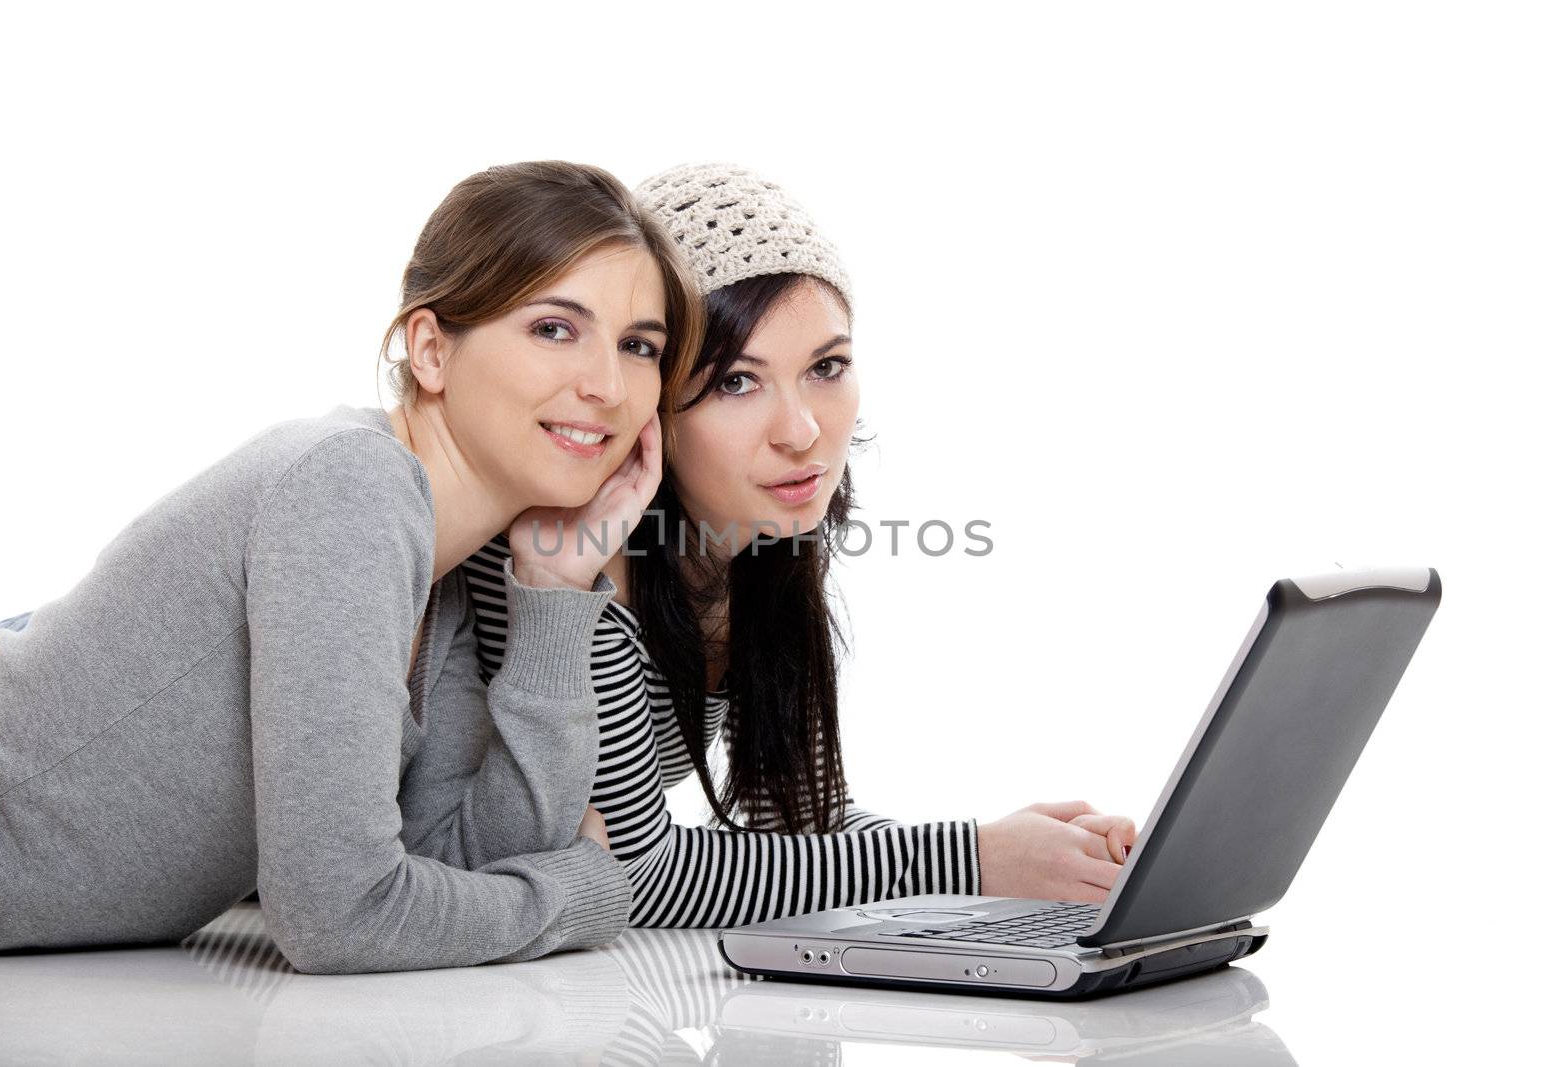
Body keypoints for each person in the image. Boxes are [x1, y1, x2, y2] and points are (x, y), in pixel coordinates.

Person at [0, 161, 703, 972]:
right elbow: (343, 915)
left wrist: (557, 593)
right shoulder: (353, 485)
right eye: (554, 328)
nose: (605, 385)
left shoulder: (444, 578)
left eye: (638, 347)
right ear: (430, 350)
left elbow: (461, 864)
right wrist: (582, 895)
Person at [464, 163, 1138, 929]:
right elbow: (638, 873)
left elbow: (800, 818)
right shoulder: (561, 553)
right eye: (736, 383)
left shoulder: (755, 541)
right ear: (653, 399)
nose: (803, 431)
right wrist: (974, 857)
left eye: (827, 367)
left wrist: (1036, 856)